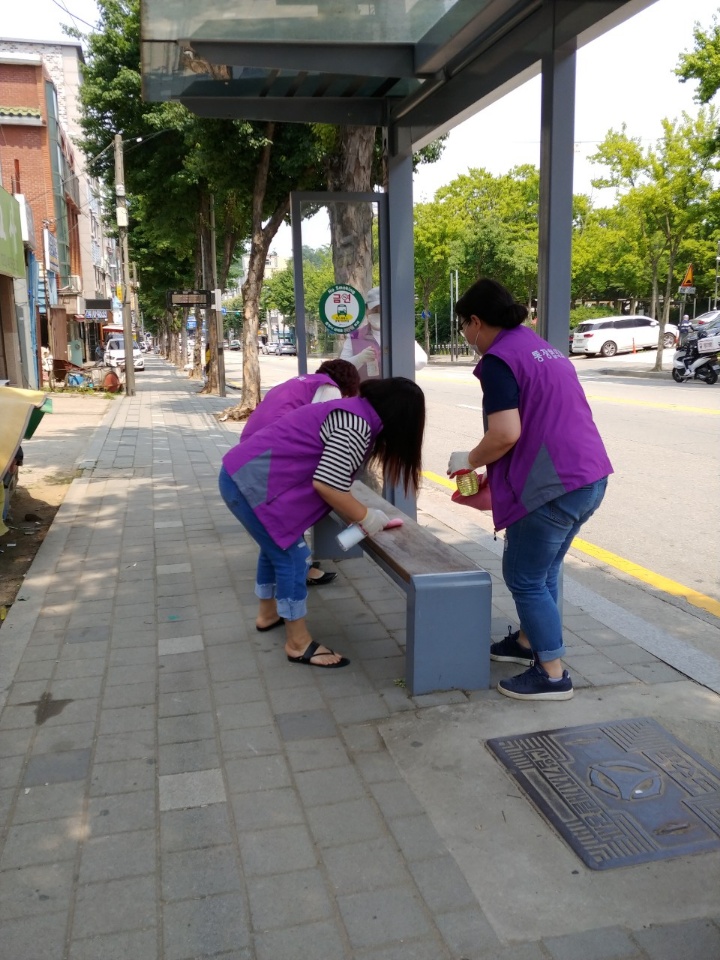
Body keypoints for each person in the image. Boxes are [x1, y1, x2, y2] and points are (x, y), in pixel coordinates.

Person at [447, 278, 612, 702]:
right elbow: (540, 422)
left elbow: (505, 433)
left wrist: (470, 458)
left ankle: (552, 675)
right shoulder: (542, 348)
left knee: (524, 577)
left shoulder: (499, 360)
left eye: (463, 325)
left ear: (476, 321)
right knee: (544, 572)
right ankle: (526, 643)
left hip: (552, 487)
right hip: (588, 478)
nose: (464, 334)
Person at [219, 377, 425, 668]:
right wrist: (366, 516)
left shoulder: (355, 410)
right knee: (294, 557)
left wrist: (365, 515)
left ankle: (268, 614)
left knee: (277, 545)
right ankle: (297, 643)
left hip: (245, 477)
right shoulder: (357, 425)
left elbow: (332, 477)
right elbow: (328, 485)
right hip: (249, 484)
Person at [240, 359, 361, 585]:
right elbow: (326, 431)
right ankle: (300, 570)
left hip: (253, 447)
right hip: (270, 453)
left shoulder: (305, 382)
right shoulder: (331, 390)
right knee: (292, 510)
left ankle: (294, 568)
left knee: (280, 516)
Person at [340, 286, 428, 381]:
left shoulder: (401, 335)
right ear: (366, 310)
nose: (378, 313)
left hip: (395, 389)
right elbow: (341, 369)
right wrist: (359, 359)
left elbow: (421, 361)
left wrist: (399, 353)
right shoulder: (355, 336)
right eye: (375, 309)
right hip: (365, 389)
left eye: (383, 310)